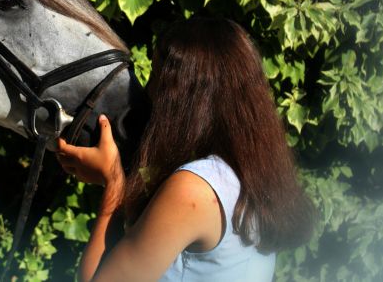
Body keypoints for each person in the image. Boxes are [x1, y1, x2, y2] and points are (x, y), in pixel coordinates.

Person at [57, 16, 314, 282]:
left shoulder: (194, 189)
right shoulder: (254, 174)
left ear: (182, 99)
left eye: (156, 77)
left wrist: (112, 182)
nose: (147, 91)